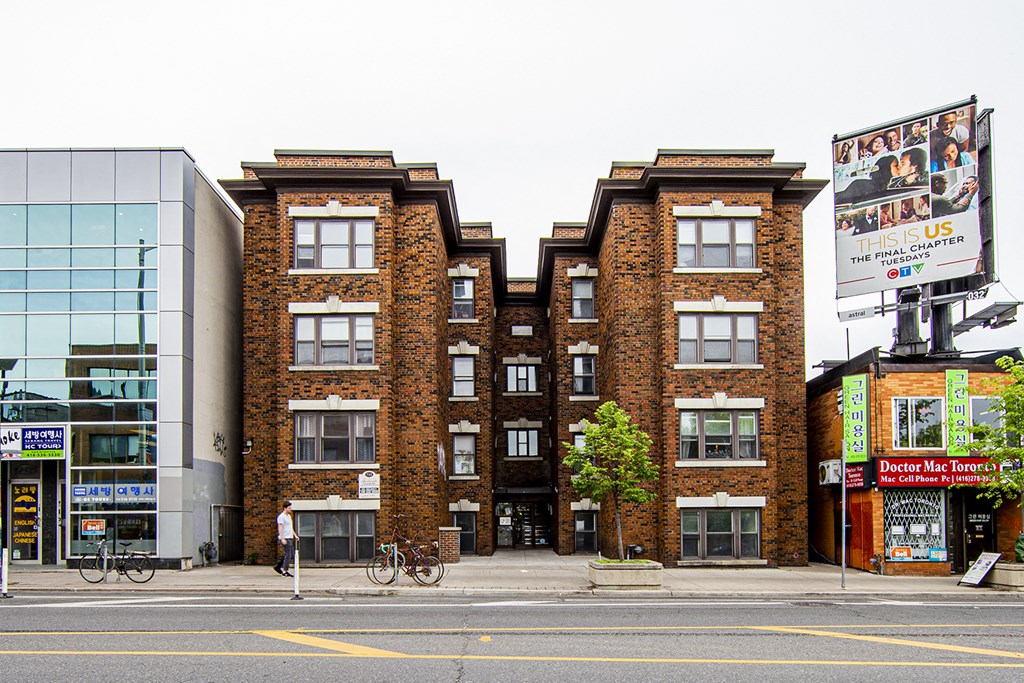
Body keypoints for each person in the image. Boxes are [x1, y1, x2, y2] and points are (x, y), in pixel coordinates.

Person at [273, 501, 295, 577]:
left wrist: (295, 535)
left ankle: (278, 566)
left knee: (289, 553)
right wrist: (282, 538)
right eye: (289, 508)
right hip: (285, 537)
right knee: (288, 554)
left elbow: (290, 527)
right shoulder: (281, 517)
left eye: (290, 508)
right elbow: (280, 528)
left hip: (289, 537)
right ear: (285, 508)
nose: (290, 509)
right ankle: (285, 570)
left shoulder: (288, 516)